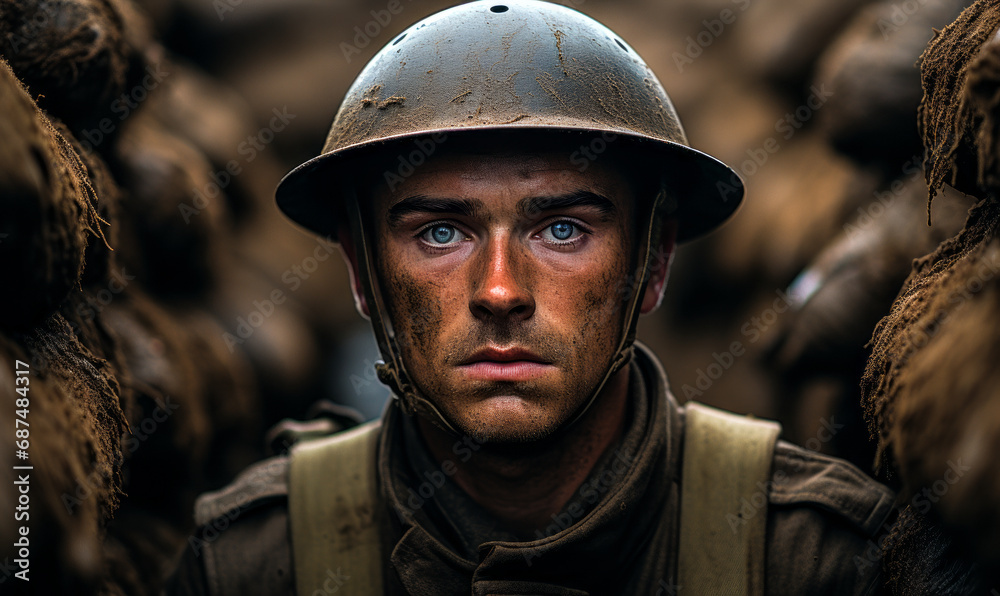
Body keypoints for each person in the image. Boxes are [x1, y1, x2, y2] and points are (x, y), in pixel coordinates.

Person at [165, 1, 895, 594]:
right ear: (361, 272)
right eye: (442, 233)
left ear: (655, 260)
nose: (501, 291)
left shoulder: (812, 558)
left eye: (565, 229)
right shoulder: (254, 564)